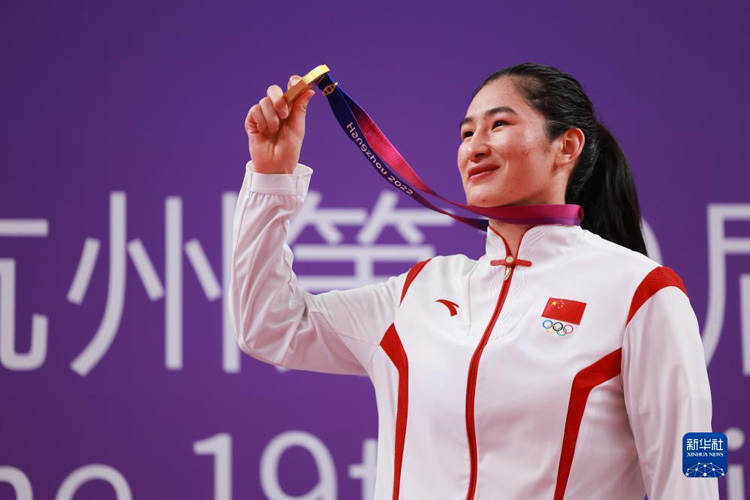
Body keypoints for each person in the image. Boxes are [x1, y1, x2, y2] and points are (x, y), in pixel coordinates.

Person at [229, 62, 718, 500]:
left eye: (499, 124)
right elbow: (268, 327)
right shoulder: (420, 292)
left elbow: (694, 457)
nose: (475, 147)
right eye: (466, 133)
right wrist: (272, 178)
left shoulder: (640, 291)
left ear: (566, 146)